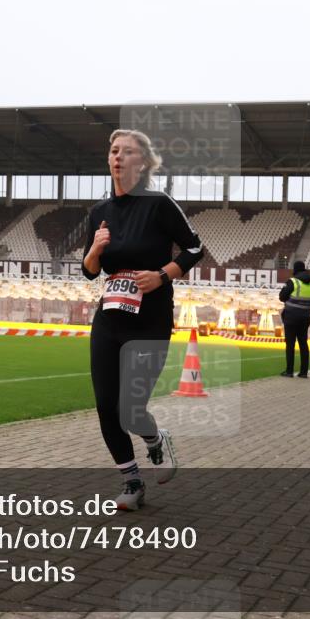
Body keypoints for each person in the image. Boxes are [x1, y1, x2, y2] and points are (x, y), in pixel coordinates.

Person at [81, 129, 204, 511]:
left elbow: (195, 247)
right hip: (110, 318)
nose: (118, 156)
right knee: (106, 405)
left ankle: (155, 439)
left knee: (131, 408)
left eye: (128, 151)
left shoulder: (159, 204)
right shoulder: (99, 213)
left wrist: (163, 275)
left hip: (150, 320)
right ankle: (132, 481)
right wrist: (96, 251)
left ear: (143, 162)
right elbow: (89, 271)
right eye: (113, 150)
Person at [278, 260, 310, 378]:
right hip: (305, 318)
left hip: (291, 318)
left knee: (290, 345)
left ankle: (289, 371)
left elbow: (282, 297)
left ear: (295, 270)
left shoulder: (292, 282)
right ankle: (304, 372)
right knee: (303, 344)